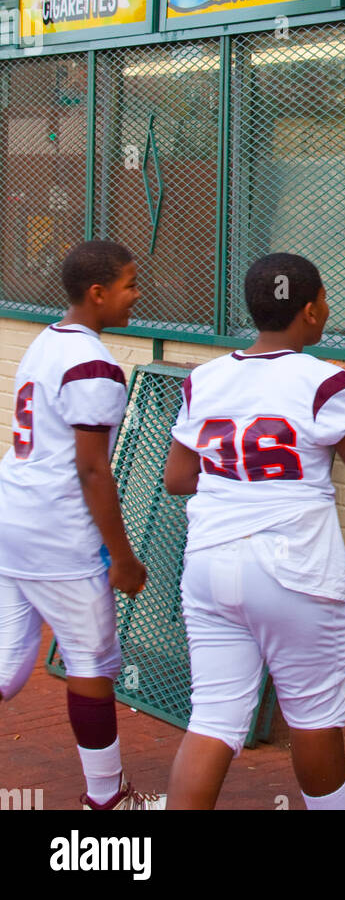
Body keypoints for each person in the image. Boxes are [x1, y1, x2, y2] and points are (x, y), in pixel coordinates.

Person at [163, 252, 345, 811]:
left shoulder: (205, 378)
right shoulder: (328, 381)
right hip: (294, 567)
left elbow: (177, 478)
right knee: (314, 714)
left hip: (211, 560)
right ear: (312, 311)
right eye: (325, 301)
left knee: (214, 716)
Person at [0, 239, 164, 810]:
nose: (136, 295)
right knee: (90, 664)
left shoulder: (47, 340)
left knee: (8, 669)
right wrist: (122, 556)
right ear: (98, 293)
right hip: (57, 534)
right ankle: (108, 801)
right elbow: (93, 469)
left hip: (12, 516)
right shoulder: (92, 363)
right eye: (128, 284)